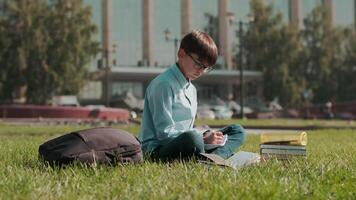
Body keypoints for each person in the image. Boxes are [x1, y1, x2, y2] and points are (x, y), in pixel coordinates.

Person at [138, 30, 245, 161]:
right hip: (158, 150)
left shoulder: (191, 88)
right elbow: (164, 134)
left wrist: (205, 135)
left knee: (237, 130)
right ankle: (214, 156)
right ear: (181, 54)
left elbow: (187, 128)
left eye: (206, 67)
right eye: (198, 64)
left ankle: (211, 157)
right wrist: (202, 139)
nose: (201, 71)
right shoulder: (163, 85)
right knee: (192, 139)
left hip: (187, 144)